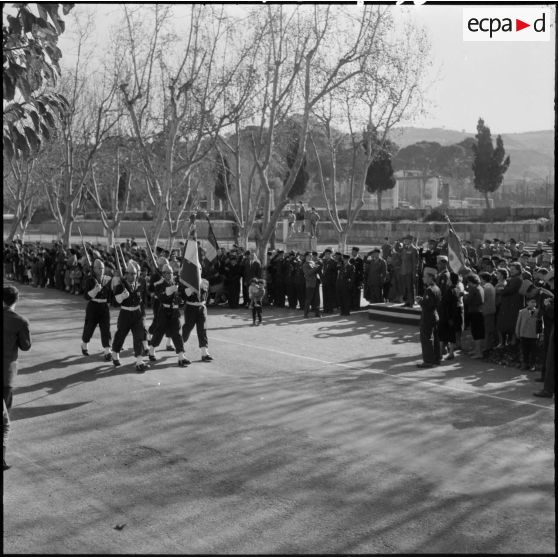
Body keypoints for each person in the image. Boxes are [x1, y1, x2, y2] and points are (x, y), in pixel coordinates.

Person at [3, 285, 32, 470]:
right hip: (6, 375)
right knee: (4, 420)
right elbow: (26, 346)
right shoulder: (20, 321)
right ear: (17, 299)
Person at [147, 264, 190, 367]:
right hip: (164, 310)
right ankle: (151, 350)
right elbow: (161, 297)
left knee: (177, 334)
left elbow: (179, 297)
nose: (169, 275)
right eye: (167, 273)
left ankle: (181, 356)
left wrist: (180, 298)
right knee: (159, 332)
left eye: (171, 273)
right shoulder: (159, 284)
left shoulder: (175, 282)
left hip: (174, 311)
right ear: (163, 274)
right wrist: (170, 290)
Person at [111, 260, 150, 372]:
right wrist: (121, 296)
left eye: (134, 274)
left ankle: (139, 361)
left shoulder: (139, 284)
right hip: (125, 313)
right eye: (130, 274)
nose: (132, 276)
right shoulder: (120, 286)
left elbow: (142, 299)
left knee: (139, 336)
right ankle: (115, 353)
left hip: (137, 313)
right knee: (121, 334)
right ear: (126, 274)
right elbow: (114, 303)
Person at [81, 258, 112, 361]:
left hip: (104, 307)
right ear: (94, 269)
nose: (101, 270)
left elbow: (110, 295)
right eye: (99, 268)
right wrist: (95, 290)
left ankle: (107, 350)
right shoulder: (89, 280)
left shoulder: (107, 279)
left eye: (102, 268)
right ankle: (84, 344)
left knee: (106, 328)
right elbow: (86, 296)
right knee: (89, 327)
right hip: (93, 306)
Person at [181, 277, 213, 362]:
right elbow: (184, 295)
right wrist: (192, 287)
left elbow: (206, 295)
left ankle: (204, 353)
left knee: (202, 329)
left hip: (201, 307)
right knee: (187, 328)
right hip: (191, 307)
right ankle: (180, 346)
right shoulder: (187, 281)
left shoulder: (205, 281)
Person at [416, 268, 441, 368]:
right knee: (435, 339)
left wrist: (420, 301)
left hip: (428, 316)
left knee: (426, 339)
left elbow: (428, 305)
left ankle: (428, 361)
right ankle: (436, 358)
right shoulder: (436, 288)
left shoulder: (429, 289)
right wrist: (423, 300)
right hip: (434, 315)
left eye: (425, 277)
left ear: (430, 278)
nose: (423, 278)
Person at [515, 297, 541, 371]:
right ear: (527, 303)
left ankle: (532, 365)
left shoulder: (538, 312)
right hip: (524, 334)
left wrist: (540, 334)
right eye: (531, 302)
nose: (533, 303)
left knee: (533, 351)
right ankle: (525, 364)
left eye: (534, 302)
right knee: (524, 350)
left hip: (533, 335)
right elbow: (518, 322)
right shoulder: (522, 311)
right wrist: (517, 332)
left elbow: (540, 324)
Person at [464, 274, 485, 359]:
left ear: (470, 282)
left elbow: (467, 300)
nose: (467, 284)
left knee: (476, 333)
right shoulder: (480, 287)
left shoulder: (473, 289)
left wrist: (464, 295)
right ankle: (477, 350)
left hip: (475, 312)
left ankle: (478, 352)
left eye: (468, 282)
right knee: (478, 332)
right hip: (479, 312)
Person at [302, 251, 322, 318]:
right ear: (306, 256)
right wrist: (315, 267)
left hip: (316, 282)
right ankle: (305, 314)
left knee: (317, 299)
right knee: (308, 299)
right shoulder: (305, 264)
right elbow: (308, 273)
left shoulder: (312, 262)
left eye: (311, 255)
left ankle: (317, 313)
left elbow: (316, 271)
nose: (311, 257)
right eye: (309, 256)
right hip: (310, 284)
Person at [400, 235, 419, 307]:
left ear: (410, 241)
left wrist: (414, 273)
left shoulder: (414, 250)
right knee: (405, 288)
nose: (405, 241)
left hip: (410, 272)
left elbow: (415, 263)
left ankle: (411, 302)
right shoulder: (404, 249)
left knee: (410, 287)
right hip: (404, 271)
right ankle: (407, 301)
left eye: (406, 240)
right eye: (405, 240)